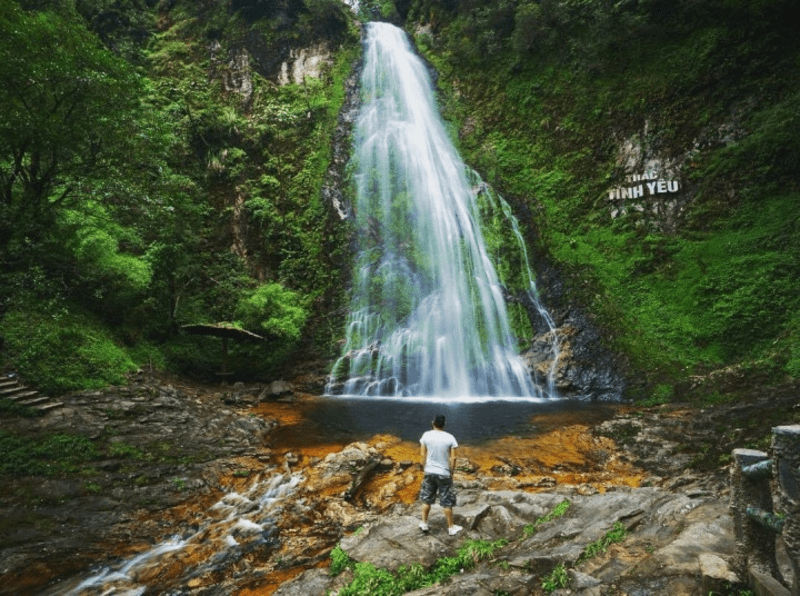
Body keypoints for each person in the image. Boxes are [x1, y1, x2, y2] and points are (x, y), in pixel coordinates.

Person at [418, 414, 462, 536]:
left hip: (429, 471)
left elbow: (422, 455)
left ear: (433, 423)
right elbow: (454, 458)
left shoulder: (426, 435)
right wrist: (451, 472)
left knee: (427, 499)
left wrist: (424, 468)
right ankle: (451, 527)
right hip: (444, 473)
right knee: (447, 501)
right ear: (444, 424)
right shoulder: (450, 438)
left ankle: (424, 523)